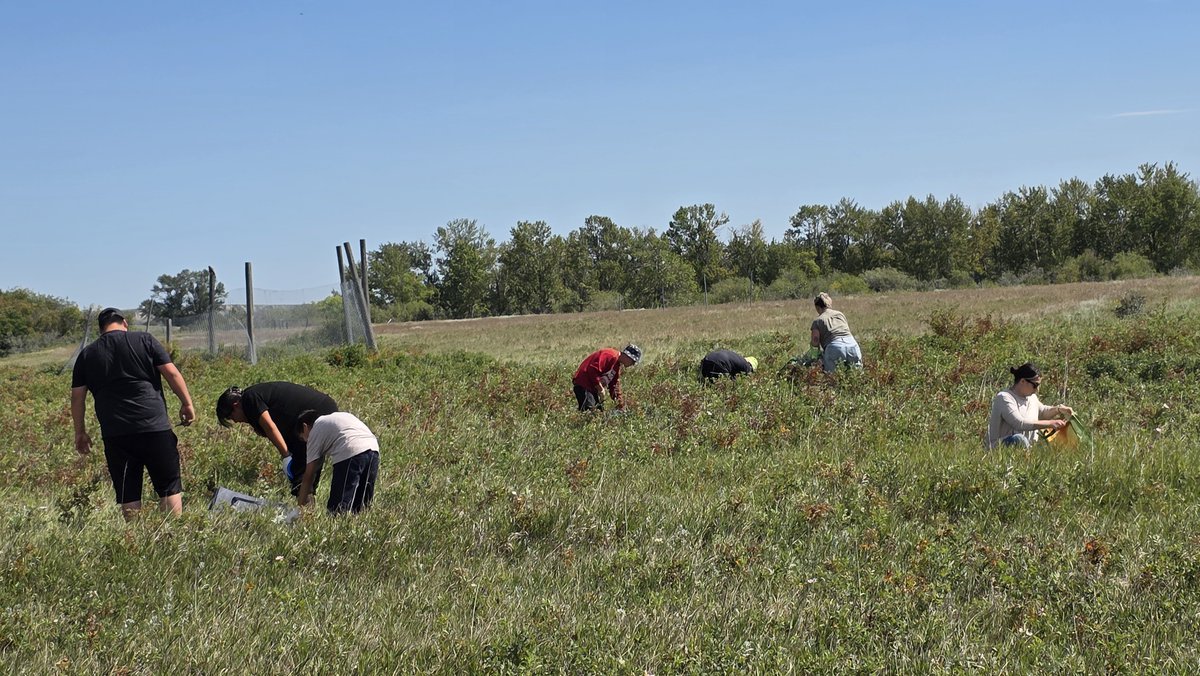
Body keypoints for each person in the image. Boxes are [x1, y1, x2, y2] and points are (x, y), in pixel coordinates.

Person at [70, 307, 195, 519]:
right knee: (169, 486)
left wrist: (80, 432)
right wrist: (187, 404)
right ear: (125, 323)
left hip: (115, 433)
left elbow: (77, 398)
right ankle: (172, 532)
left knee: (128, 491)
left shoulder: (87, 354)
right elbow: (172, 373)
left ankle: (134, 536)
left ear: (101, 329)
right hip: (154, 426)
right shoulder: (145, 340)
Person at [216, 383, 338, 496]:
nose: (235, 421)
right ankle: (308, 508)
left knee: (301, 476)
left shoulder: (249, 398)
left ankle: (305, 508)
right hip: (320, 411)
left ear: (236, 405)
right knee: (305, 475)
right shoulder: (255, 395)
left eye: (231, 416)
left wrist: (286, 456)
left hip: (315, 413)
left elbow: (270, 427)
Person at [294, 410, 380, 513]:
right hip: (373, 449)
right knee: (361, 506)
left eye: (302, 438)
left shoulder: (315, 431)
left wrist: (300, 507)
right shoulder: (336, 418)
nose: (306, 442)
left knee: (338, 508)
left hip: (350, 450)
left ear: (305, 427)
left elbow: (309, 475)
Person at [986, 362, 1073, 449]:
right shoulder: (1004, 397)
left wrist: (1058, 409)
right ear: (1022, 381)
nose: (1037, 390)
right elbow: (1019, 423)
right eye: (1035, 385)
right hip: (1001, 448)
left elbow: (1043, 412)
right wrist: (1051, 423)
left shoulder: (1032, 398)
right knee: (1019, 439)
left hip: (1027, 448)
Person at [572, 344, 641, 411]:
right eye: (633, 362)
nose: (632, 364)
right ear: (628, 357)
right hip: (584, 384)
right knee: (589, 411)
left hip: (592, 389)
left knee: (598, 412)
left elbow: (614, 386)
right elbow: (592, 369)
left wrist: (620, 404)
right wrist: (600, 388)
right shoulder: (610, 355)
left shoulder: (616, 366)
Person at [810, 292, 863, 372]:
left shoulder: (818, 320)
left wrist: (814, 357)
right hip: (853, 345)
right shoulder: (840, 314)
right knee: (856, 375)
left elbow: (815, 341)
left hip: (834, 348)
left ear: (817, 307)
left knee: (832, 377)